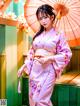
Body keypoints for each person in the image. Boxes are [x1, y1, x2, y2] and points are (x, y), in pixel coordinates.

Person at [17, 4, 72, 106]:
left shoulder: (59, 34)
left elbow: (67, 54)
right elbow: (32, 52)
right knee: (33, 98)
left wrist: (49, 58)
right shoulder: (38, 34)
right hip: (35, 69)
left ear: (52, 17)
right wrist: (24, 65)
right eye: (40, 18)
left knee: (41, 100)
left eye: (45, 17)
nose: (43, 21)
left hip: (48, 70)